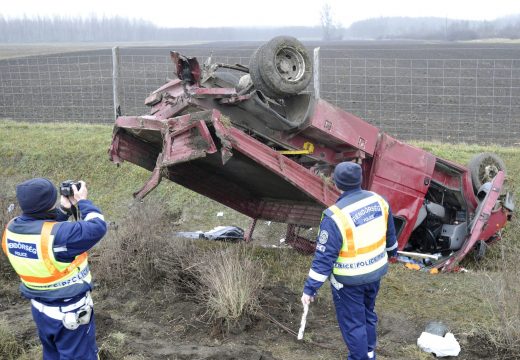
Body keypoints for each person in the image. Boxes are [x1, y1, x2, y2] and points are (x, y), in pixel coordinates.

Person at [1, 178, 107, 359]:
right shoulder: (60, 237)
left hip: (41, 311)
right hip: (70, 314)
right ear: (49, 202)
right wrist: (82, 201)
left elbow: (42, 230)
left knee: (53, 355)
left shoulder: (12, 228)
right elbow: (97, 227)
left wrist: (64, 210)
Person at [301, 162, 397, 360]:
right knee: (368, 313)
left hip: (349, 283)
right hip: (375, 273)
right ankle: (369, 353)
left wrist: (310, 289)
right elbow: (390, 237)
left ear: (336, 183)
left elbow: (324, 260)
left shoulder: (335, 217)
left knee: (353, 323)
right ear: (360, 180)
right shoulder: (379, 200)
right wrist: (391, 252)